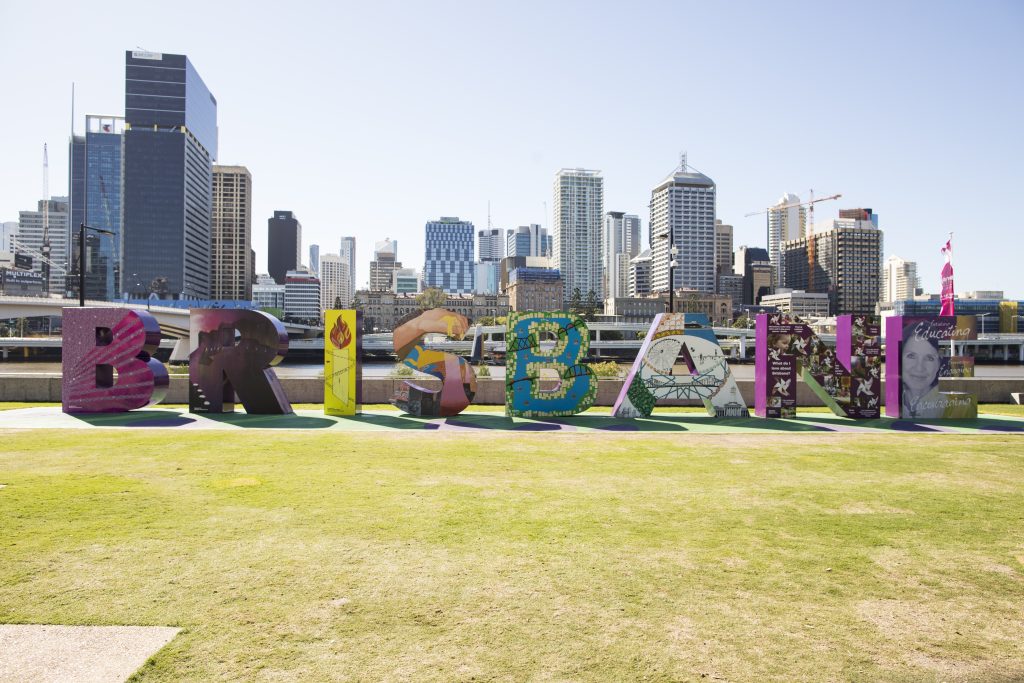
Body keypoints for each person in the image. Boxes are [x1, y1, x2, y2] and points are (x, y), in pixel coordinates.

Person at [899, 326, 944, 418]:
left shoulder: (960, 410)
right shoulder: (897, 403)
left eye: (929, 358)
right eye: (911, 356)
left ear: (938, 364)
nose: (919, 368)